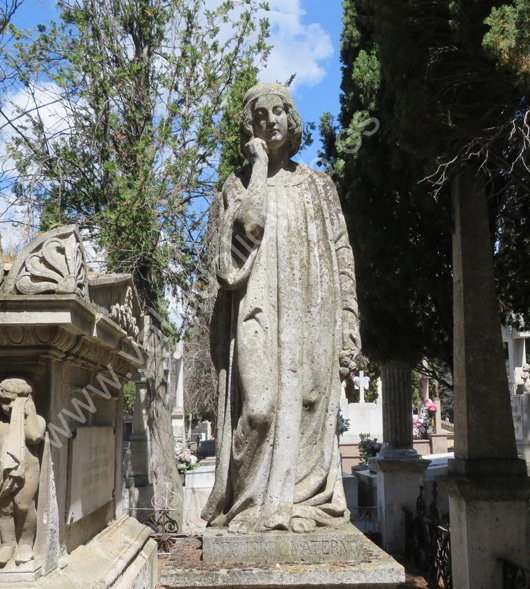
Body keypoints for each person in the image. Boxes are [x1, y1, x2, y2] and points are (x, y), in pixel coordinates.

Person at [202, 83, 360, 534]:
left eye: (278, 111)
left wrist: (349, 318)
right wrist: (257, 167)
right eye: (259, 115)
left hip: (311, 315)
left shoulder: (318, 185)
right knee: (259, 410)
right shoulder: (235, 186)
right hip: (256, 312)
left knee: (310, 401)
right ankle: (249, 505)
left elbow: (341, 251)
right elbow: (234, 254)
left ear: (292, 120)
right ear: (249, 127)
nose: (269, 120)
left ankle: (295, 502)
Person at [0, 378, 46, 566]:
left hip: (27, 469)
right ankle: (7, 544)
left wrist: (29, 411)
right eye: (2, 401)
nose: (6, 406)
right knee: (4, 509)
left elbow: (35, 437)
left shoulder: (36, 421)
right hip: (1, 472)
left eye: (11, 401)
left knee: (23, 506)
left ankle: (26, 543)